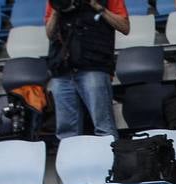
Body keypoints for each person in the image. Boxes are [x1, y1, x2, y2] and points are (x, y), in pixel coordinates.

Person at [44, 0, 130, 138]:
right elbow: (49, 34)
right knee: (66, 131)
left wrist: (98, 7)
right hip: (62, 70)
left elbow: (125, 27)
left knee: (104, 127)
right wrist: (56, 9)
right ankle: (70, 159)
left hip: (94, 67)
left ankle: (109, 158)